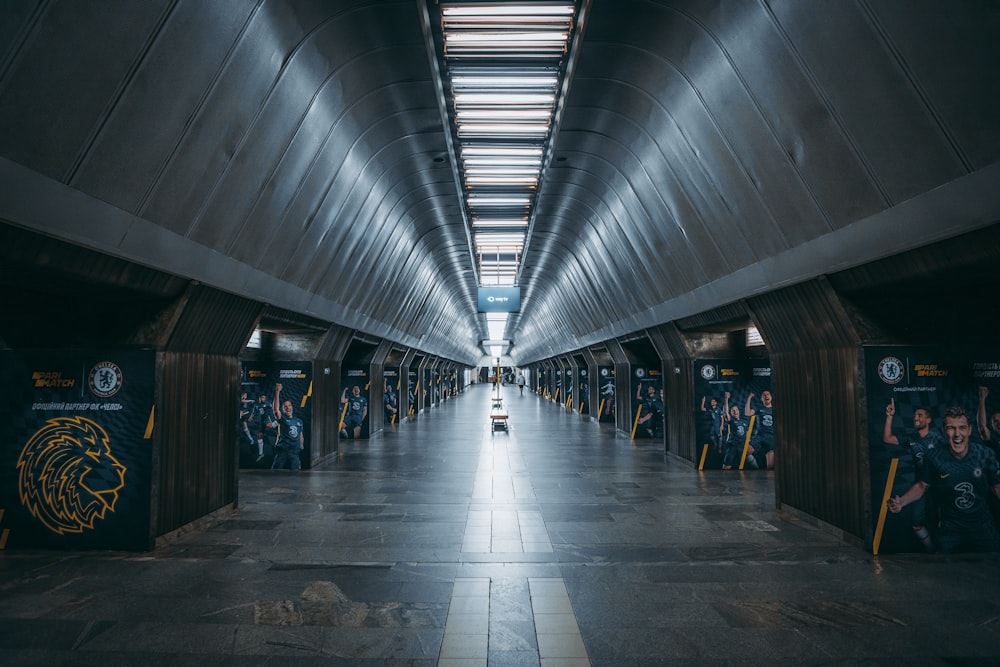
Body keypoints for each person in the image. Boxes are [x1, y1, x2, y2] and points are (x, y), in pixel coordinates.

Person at [888, 406, 1000, 553]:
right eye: (951, 428)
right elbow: (922, 485)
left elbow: (997, 487)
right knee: (941, 568)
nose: (957, 434)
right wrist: (901, 502)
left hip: (983, 526)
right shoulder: (934, 457)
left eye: (962, 428)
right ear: (943, 430)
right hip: (950, 528)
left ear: (970, 430)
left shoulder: (985, 454)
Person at [882, 398, 945, 551]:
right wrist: (890, 416)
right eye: (915, 415)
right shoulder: (912, 438)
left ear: (928, 419)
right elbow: (887, 438)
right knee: (917, 524)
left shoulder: (938, 438)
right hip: (919, 488)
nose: (916, 418)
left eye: (920, 415)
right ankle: (932, 552)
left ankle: (946, 553)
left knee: (942, 524)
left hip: (940, 488)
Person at [271, 383, 303, 471]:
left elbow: (300, 435)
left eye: (289, 406)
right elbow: (275, 410)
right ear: (283, 410)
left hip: (294, 452)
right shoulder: (283, 419)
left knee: (296, 474)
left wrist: (301, 446)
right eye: (285, 407)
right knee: (275, 473)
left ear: (292, 407)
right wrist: (277, 392)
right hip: (283, 451)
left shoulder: (299, 421)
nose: (288, 408)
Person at [722, 392, 757, 470]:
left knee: (753, 465)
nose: (735, 411)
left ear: (739, 411)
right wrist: (726, 399)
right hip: (733, 446)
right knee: (726, 467)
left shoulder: (744, 421)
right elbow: (725, 412)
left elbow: (747, 434)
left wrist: (749, 443)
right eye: (733, 410)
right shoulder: (731, 421)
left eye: (736, 409)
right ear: (731, 413)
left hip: (743, 446)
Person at [745, 391, 775, 469]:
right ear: (762, 399)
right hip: (760, 435)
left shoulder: (775, 409)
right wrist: (749, 398)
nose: (766, 396)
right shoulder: (759, 408)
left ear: (771, 397)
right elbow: (747, 413)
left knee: (770, 467)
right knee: (746, 452)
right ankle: (757, 470)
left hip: (771, 437)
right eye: (764, 395)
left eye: (768, 394)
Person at [252, 391, 275, 462]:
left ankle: (279, 449)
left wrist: (272, 420)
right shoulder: (257, 405)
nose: (263, 399)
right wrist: (251, 416)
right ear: (259, 398)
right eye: (262, 397)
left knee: (274, 434)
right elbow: (254, 412)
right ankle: (261, 454)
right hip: (262, 423)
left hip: (268, 421)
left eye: (264, 397)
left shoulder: (268, 404)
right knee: (259, 436)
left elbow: (273, 411)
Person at [977, 386, 1000, 457]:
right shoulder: (994, 442)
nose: (999, 423)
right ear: (992, 426)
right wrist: (982, 398)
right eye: (995, 422)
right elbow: (982, 427)